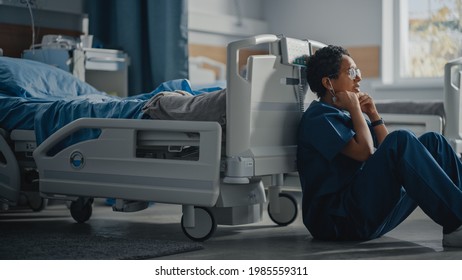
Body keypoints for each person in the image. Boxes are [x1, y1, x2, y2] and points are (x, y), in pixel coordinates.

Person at [297, 45, 462, 247]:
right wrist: (356, 109)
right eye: (351, 72)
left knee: (435, 142)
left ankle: (457, 225)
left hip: (364, 211)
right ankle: (458, 219)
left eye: (357, 71)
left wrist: (373, 114)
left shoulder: (347, 115)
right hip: (338, 221)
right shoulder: (319, 117)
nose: (358, 78)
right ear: (328, 82)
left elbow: (387, 153)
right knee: (401, 139)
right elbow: (365, 152)